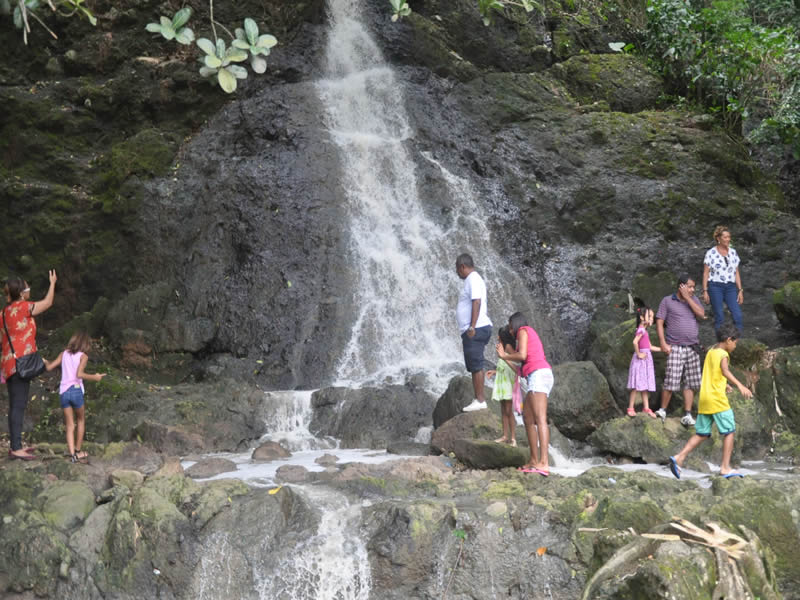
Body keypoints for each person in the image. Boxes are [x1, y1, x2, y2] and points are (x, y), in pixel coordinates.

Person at [668, 324, 752, 479]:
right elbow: (725, 370)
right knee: (729, 432)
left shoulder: (711, 351)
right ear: (728, 340)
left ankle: (679, 457)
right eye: (735, 343)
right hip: (716, 400)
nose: (735, 346)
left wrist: (724, 384)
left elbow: (714, 372)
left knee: (702, 433)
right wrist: (740, 385)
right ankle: (725, 468)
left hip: (705, 399)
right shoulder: (723, 354)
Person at [2, 271, 57, 460]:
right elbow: (48, 302)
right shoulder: (23, 307)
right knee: (18, 405)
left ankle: (16, 445)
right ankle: (15, 448)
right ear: (21, 293)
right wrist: (52, 283)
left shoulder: (4, 313)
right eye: (27, 287)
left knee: (16, 404)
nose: (29, 289)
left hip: (10, 364)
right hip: (21, 364)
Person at [497, 312, 553, 476]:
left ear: (516, 323)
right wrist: (505, 358)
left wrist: (505, 354)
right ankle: (534, 460)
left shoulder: (523, 330)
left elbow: (521, 355)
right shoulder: (525, 337)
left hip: (539, 375)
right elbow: (520, 371)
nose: (511, 330)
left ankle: (544, 463)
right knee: (528, 418)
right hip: (535, 375)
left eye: (510, 327)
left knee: (540, 418)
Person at [44, 331, 106, 462]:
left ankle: (72, 455)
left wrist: (45, 361)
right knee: (81, 420)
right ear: (85, 344)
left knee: (70, 425)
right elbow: (79, 374)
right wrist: (95, 377)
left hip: (64, 392)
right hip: (76, 391)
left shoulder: (63, 354)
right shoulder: (83, 356)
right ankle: (78, 451)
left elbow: (49, 368)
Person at [654, 275, 706, 426]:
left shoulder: (693, 300)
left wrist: (688, 298)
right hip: (675, 346)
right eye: (689, 287)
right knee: (671, 379)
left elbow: (701, 314)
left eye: (693, 287)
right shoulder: (667, 301)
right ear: (681, 286)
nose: (692, 290)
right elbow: (659, 322)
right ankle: (663, 410)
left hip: (693, 346)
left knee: (691, 383)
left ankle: (688, 414)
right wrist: (662, 343)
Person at [455, 253, 493, 412]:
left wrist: (472, 326)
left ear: (462, 267)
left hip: (475, 329)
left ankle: (480, 400)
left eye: (457, 269)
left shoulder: (473, 279)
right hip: (477, 328)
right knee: (475, 364)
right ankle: (478, 398)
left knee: (476, 365)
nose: (457, 273)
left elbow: (476, 301)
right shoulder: (473, 279)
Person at [702, 225, 743, 334]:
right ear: (718, 238)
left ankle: (736, 340)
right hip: (715, 286)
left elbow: (736, 272)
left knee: (738, 315)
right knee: (719, 316)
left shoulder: (733, 252)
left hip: (730, 287)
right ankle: (720, 341)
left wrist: (740, 290)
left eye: (729, 237)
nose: (728, 239)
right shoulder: (711, 253)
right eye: (725, 237)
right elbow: (706, 273)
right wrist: (705, 290)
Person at [486, 326, 519, 446]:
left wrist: (503, 355)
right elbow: (503, 366)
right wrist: (495, 372)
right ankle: (505, 436)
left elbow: (515, 365)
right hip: (502, 380)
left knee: (509, 411)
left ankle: (513, 438)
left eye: (499, 335)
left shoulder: (508, 347)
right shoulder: (501, 347)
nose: (497, 337)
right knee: (503, 410)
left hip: (508, 382)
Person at [626, 306, 661, 417]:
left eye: (652, 317)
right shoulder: (641, 330)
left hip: (646, 361)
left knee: (644, 385)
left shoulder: (645, 331)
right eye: (649, 316)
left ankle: (646, 408)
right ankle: (630, 408)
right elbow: (635, 342)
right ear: (641, 317)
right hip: (640, 361)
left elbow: (649, 347)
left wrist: (662, 349)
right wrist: (639, 354)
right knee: (636, 385)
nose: (651, 319)